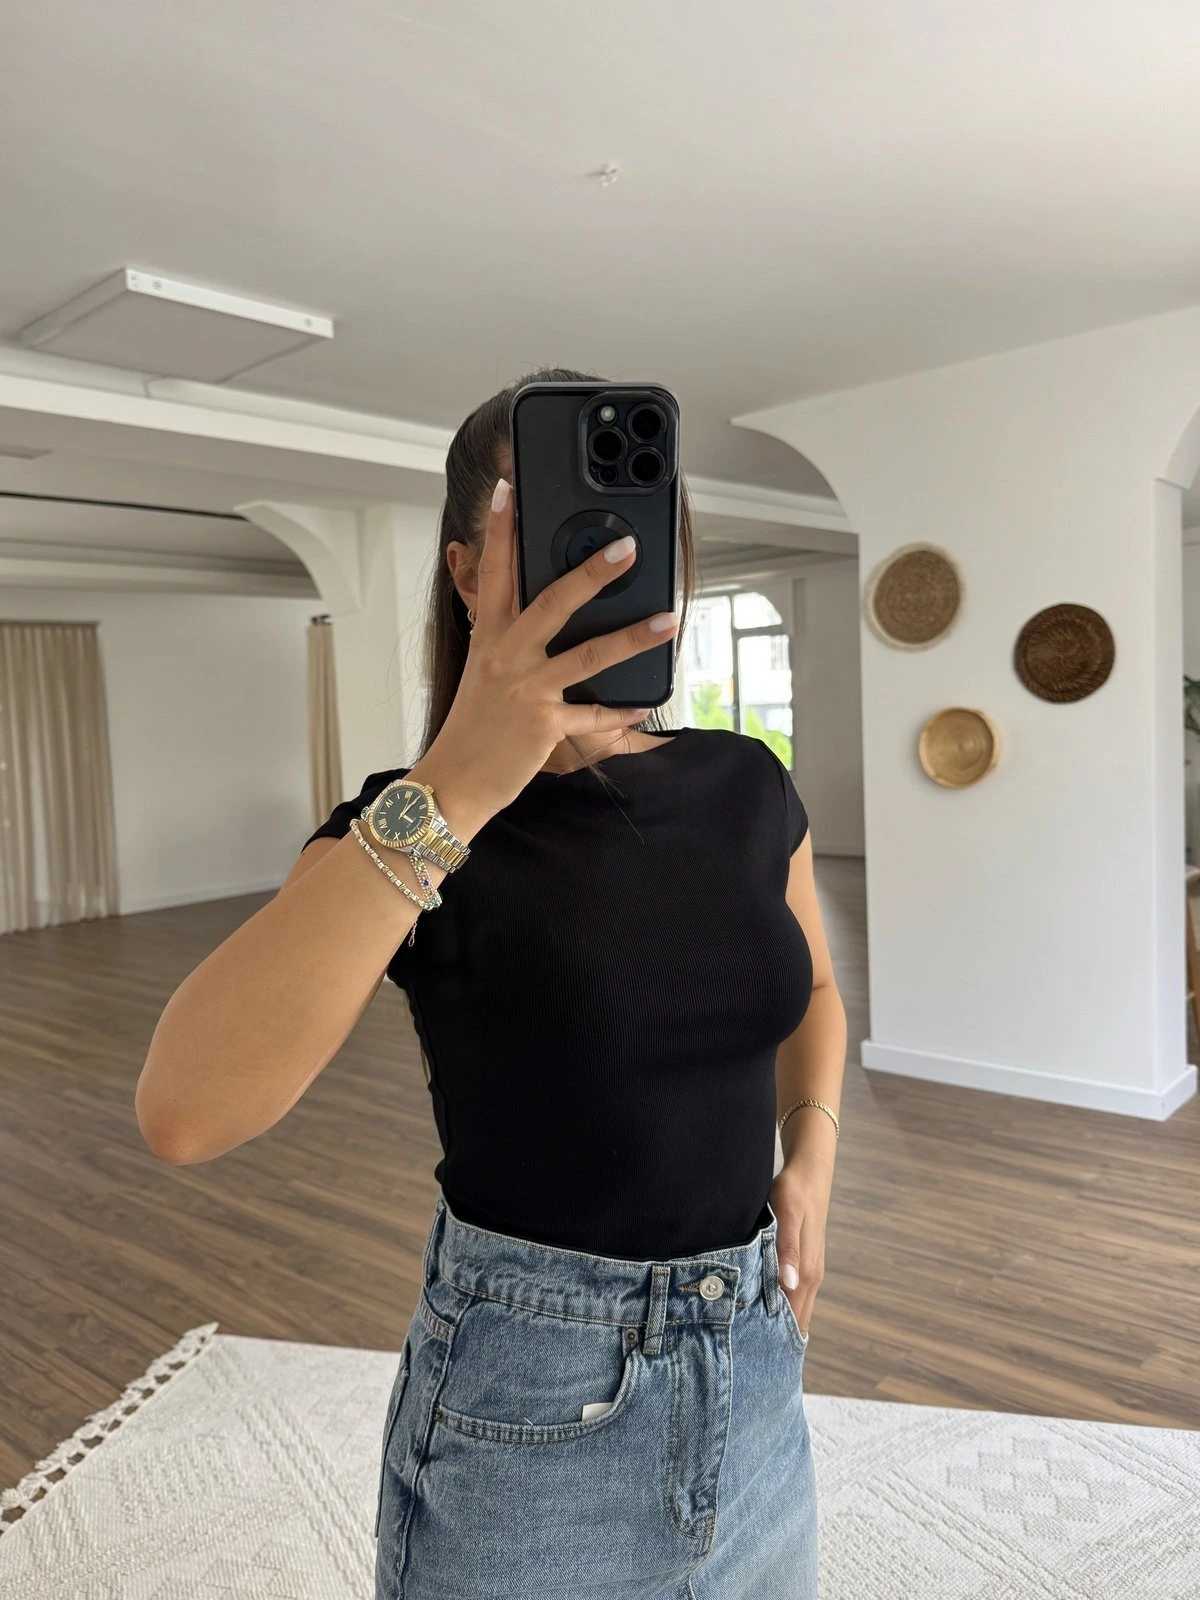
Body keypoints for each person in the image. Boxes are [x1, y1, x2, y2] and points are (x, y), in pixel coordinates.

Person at [135, 368, 847, 1600]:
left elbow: (817, 992)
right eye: (566, 544)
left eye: (638, 547)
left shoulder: (747, 784)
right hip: (529, 1414)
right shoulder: (404, 830)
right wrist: (460, 781)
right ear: (468, 574)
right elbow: (184, 1111)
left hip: (756, 1376)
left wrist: (813, 1157)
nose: (607, 575)